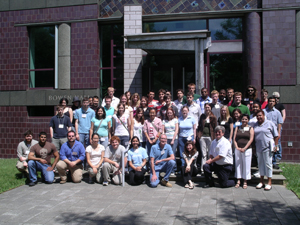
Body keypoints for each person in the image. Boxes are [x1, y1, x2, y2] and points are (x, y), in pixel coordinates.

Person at [253, 110, 278, 191]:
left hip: (267, 148)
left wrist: (275, 146)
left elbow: (276, 135)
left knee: (268, 165)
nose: (259, 117)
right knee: (260, 165)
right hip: (259, 148)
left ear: (264, 115)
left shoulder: (270, 123)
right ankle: (261, 181)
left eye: (260, 115)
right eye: (257, 116)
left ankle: (269, 182)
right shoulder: (255, 125)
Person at [233, 114, 254, 189]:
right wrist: (237, 147)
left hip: (247, 149)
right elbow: (234, 138)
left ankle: (245, 180)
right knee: (238, 164)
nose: (244, 121)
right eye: (243, 119)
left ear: (248, 120)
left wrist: (244, 148)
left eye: (246, 119)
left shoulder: (250, 128)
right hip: (238, 149)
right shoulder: (237, 127)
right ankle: (238, 180)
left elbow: (251, 139)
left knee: (246, 165)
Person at [263, 96, 283, 169]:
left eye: (273, 101)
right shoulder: (264, 111)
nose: (271, 103)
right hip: (266, 132)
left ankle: (274, 162)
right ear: (268, 102)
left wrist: (279, 133)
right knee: (266, 147)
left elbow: (279, 123)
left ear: (275, 103)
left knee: (275, 147)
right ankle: (266, 162)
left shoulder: (277, 112)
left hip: (274, 133)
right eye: (270, 101)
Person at [198, 103, 217, 172]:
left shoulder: (213, 117)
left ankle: (209, 168)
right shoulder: (202, 116)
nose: (207, 109)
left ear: (211, 108)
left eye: (208, 107)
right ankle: (203, 168)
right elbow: (199, 126)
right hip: (202, 136)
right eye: (206, 107)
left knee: (210, 153)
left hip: (210, 137)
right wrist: (198, 135)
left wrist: (215, 137)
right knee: (203, 154)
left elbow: (215, 128)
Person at [162, 108, 179, 173]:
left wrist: (173, 139)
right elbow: (163, 131)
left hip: (173, 139)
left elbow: (176, 130)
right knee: (166, 154)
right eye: (168, 113)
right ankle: (167, 168)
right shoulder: (164, 121)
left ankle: (174, 169)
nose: (169, 114)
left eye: (170, 113)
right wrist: (164, 139)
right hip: (166, 139)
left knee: (173, 153)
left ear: (173, 113)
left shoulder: (175, 120)